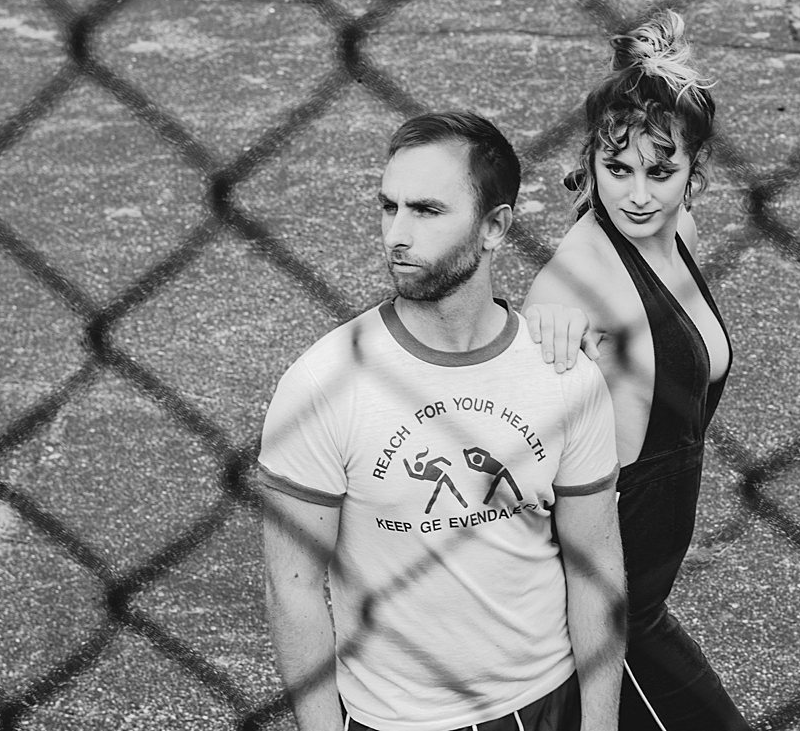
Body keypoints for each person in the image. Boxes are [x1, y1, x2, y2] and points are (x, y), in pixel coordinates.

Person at [256, 111, 626, 731]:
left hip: (545, 702)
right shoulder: (324, 383)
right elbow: (290, 588)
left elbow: (597, 566)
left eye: (426, 211)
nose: (397, 234)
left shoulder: (562, 374)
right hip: (399, 719)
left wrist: (599, 725)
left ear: (494, 228)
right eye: (388, 206)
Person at [525, 10, 745, 731]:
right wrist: (538, 333)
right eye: (616, 169)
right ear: (589, 160)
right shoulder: (571, 286)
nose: (638, 194)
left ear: (694, 169)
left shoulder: (675, 231)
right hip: (602, 614)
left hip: (646, 594)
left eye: (661, 170)